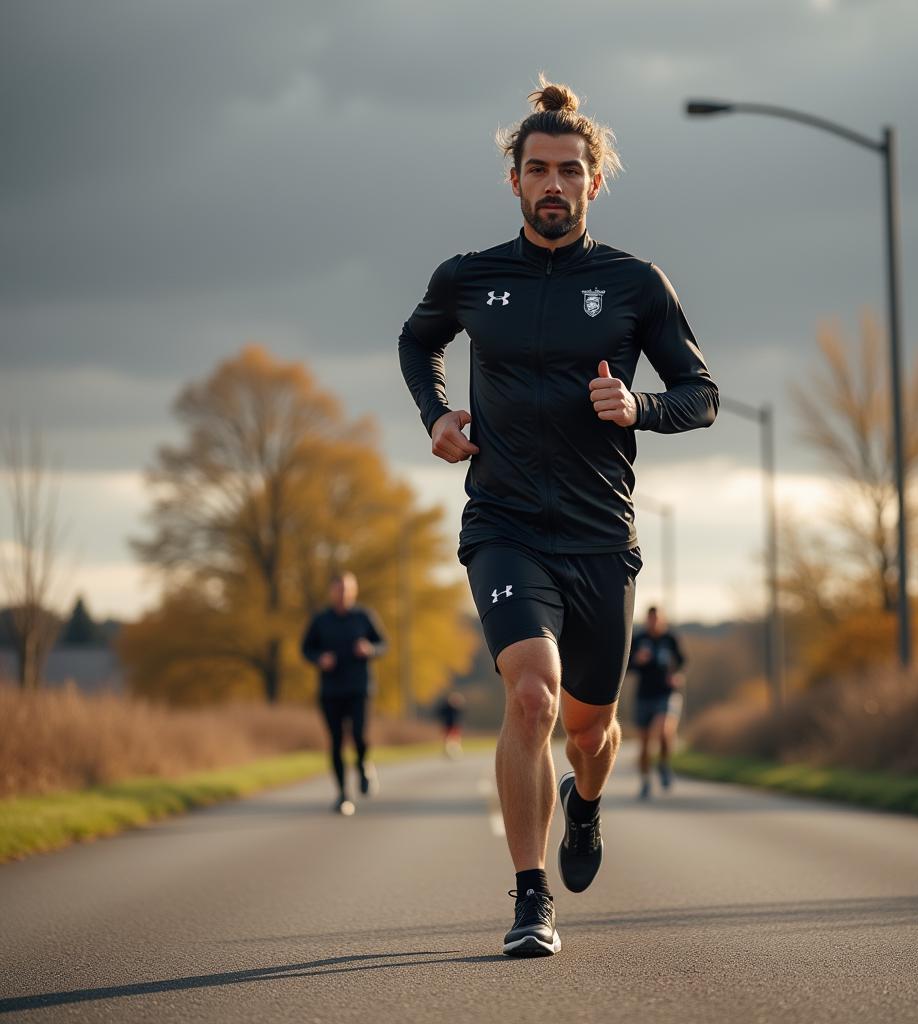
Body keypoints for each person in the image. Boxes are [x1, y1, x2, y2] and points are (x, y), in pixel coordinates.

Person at [398, 76, 718, 956]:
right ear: (515, 180)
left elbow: (702, 395)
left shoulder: (631, 283)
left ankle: (588, 804)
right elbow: (415, 338)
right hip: (502, 522)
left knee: (590, 730)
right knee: (530, 697)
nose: (552, 184)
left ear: (593, 181)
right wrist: (436, 415)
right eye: (537, 169)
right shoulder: (469, 278)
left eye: (569, 171)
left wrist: (640, 410)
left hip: (598, 535)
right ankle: (530, 896)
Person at [301, 572, 387, 816]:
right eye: (339, 589)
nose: (343, 594)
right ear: (332, 591)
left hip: (359, 688)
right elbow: (305, 648)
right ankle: (342, 794)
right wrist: (319, 658)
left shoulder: (364, 616)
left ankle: (362, 766)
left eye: (348, 590)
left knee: (359, 735)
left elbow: (383, 644)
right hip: (330, 690)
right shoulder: (320, 620)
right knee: (336, 741)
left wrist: (370, 649)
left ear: (354, 591)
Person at [628, 606, 687, 799]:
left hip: (666, 694)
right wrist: (637, 661)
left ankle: (663, 764)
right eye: (650, 619)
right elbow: (626, 667)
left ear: (663, 620)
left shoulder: (670, 639)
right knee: (644, 744)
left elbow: (682, 663)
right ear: (647, 620)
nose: (654, 623)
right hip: (644, 695)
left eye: (657, 619)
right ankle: (645, 781)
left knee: (664, 731)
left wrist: (677, 676)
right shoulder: (639, 639)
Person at [435, 689, 466, 759]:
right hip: (447, 725)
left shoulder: (457, 707)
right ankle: (447, 752)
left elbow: (461, 715)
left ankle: (456, 751)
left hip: (455, 725)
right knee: (447, 739)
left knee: (456, 739)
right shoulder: (445, 707)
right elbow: (440, 714)